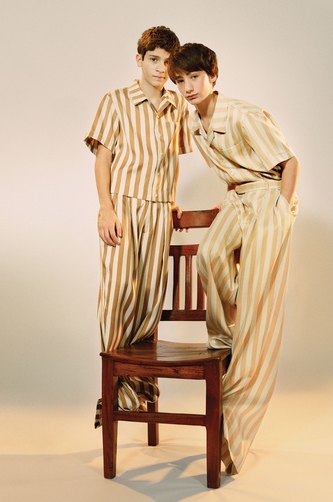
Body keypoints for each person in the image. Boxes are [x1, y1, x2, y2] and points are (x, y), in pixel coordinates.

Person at [168, 43, 300, 475]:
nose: (188, 87)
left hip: (267, 200)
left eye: (195, 77)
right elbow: (227, 170)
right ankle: (225, 337)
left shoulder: (243, 114)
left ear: (213, 75)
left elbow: (290, 162)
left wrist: (280, 209)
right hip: (238, 200)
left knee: (258, 319)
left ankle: (235, 430)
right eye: (180, 80)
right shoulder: (194, 122)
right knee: (208, 256)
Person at [84, 27, 192, 428]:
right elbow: (103, 158)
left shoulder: (177, 106)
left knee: (149, 299)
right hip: (124, 208)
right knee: (117, 296)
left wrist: (170, 199)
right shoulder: (115, 100)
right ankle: (115, 388)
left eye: (168, 62)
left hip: (160, 210)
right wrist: (106, 208)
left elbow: (173, 159)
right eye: (154, 60)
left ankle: (132, 388)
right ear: (139, 60)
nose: (161, 69)